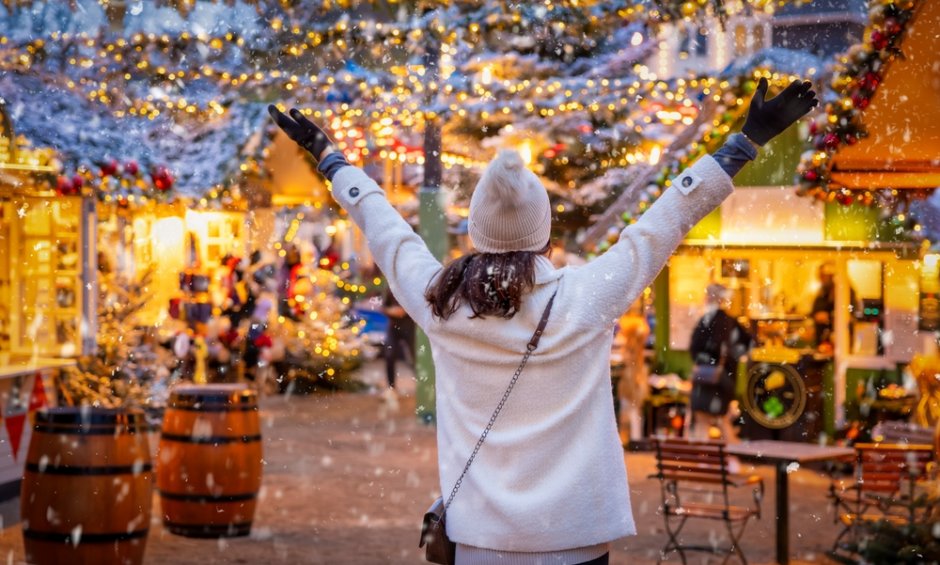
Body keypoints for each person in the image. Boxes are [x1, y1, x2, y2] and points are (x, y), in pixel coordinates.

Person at [270, 76, 816, 564]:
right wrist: (744, 142)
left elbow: (386, 230)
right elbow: (665, 220)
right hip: (575, 538)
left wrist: (331, 159)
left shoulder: (441, 304)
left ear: (475, 234)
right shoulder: (588, 296)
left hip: (479, 540)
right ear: (545, 235)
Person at [689, 283, 753, 441]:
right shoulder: (731, 321)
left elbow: (695, 348)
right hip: (724, 379)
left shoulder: (707, 320)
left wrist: (705, 360)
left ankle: (705, 454)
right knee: (721, 419)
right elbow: (748, 344)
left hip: (706, 378)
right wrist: (732, 361)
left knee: (704, 420)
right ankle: (731, 453)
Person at [811, 262, 857, 352]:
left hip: (839, 336)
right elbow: (815, 309)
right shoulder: (822, 291)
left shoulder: (845, 291)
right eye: (820, 275)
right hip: (823, 337)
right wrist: (815, 315)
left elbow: (850, 310)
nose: (821, 278)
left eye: (823, 275)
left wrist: (830, 316)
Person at [383, 285, 415, 404]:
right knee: (389, 355)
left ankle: (423, 385)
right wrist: (391, 311)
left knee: (415, 357)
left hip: (410, 328)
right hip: (393, 327)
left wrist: (404, 311)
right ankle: (391, 388)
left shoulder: (410, 287)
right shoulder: (390, 287)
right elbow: (384, 307)